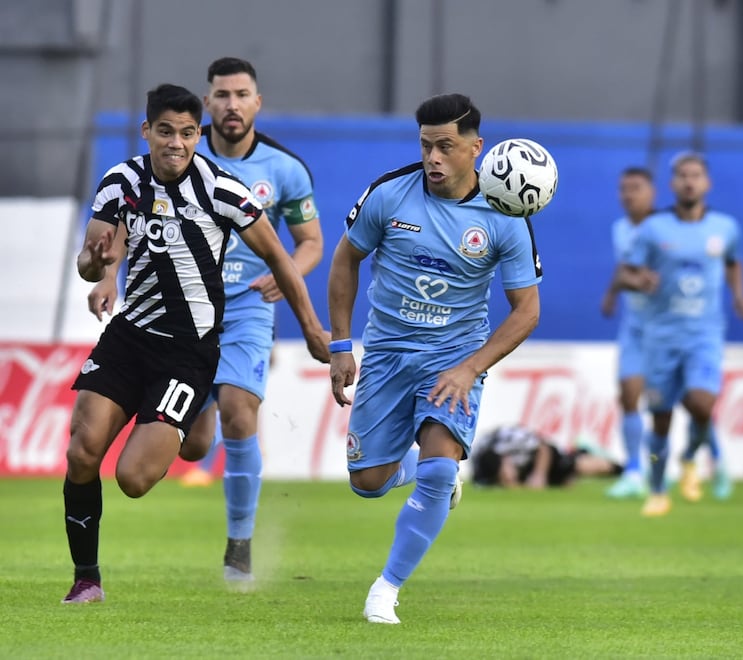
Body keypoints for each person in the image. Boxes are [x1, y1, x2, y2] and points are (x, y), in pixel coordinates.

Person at [64, 83, 329, 604]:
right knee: (81, 451)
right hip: (129, 337)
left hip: (187, 352)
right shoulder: (121, 182)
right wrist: (96, 266)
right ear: (148, 132)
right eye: (165, 131)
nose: (176, 143)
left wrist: (315, 330)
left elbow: (280, 257)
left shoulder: (223, 190)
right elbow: (89, 260)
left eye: (187, 133)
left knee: (134, 479)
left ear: (196, 134)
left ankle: (189, 415)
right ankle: (87, 579)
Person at [327, 93, 542, 624]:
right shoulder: (389, 195)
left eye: (446, 146)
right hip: (387, 352)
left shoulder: (504, 215)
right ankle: (415, 470)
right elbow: (345, 260)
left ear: (476, 148)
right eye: (426, 145)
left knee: (440, 468)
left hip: (453, 358)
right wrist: (339, 344)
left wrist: (471, 367)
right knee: (367, 481)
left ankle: (386, 589)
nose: (434, 158)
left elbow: (526, 312)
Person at [620, 152, 743, 517]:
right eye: (682, 176)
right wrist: (639, 280)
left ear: (707, 183)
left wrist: (739, 294)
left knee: (702, 404)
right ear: (672, 184)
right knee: (661, 418)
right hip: (661, 336)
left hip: (704, 335)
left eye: (695, 175)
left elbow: (733, 261)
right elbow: (625, 273)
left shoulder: (725, 228)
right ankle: (659, 488)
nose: (689, 181)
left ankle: (691, 456)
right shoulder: (654, 229)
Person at [601, 167, 655, 499]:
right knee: (628, 395)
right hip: (635, 327)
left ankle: (711, 462)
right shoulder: (620, 229)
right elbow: (628, 272)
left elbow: (655, 279)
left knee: (693, 402)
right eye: (624, 189)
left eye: (635, 188)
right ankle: (634, 470)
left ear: (652, 192)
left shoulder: (664, 229)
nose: (628, 194)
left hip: (668, 330)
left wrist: (630, 281)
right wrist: (612, 293)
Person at [471, 424, 622, 488]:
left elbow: (543, 447)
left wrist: (539, 475)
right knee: (566, 481)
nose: (507, 479)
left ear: (505, 459)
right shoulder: (482, 467)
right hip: (528, 467)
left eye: (505, 475)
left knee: (578, 467)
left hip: (544, 459)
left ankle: (622, 469)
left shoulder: (512, 439)